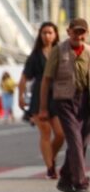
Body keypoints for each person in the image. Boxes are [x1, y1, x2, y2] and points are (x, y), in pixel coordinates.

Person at [38, 17, 90, 192]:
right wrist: (43, 108)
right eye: (75, 32)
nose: (79, 36)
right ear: (68, 32)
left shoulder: (89, 52)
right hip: (64, 100)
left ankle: (65, 180)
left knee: (81, 143)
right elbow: (46, 80)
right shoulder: (58, 50)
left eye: (82, 32)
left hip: (85, 101)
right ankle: (81, 183)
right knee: (75, 140)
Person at [18, 22, 64, 179]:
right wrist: (20, 96)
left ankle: (50, 157)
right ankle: (50, 168)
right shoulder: (35, 55)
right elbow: (24, 77)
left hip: (57, 95)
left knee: (60, 134)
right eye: (44, 33)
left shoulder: (61, 52)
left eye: (50, 32)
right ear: (40, 35)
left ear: (56, 34)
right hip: (39, 95)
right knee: (45, 131)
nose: (47, 36)